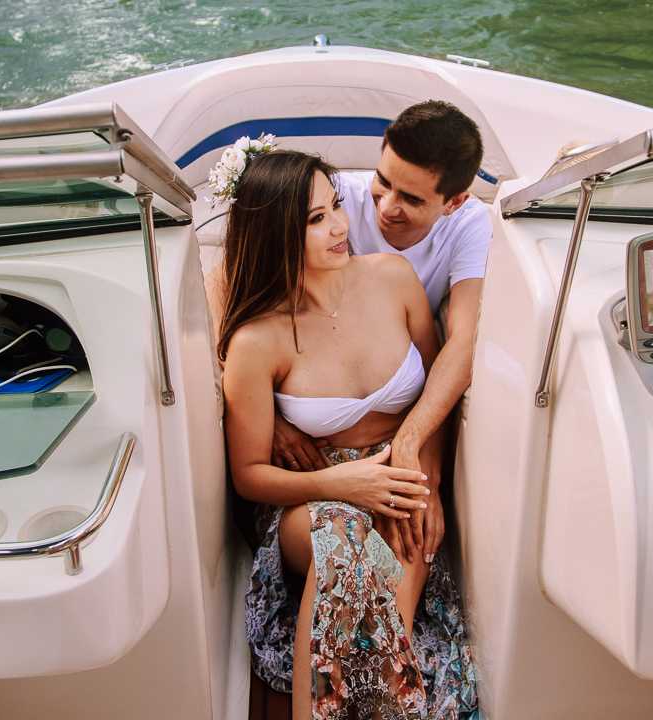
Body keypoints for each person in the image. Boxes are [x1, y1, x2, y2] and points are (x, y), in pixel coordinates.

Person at [218, 148, 476, 719]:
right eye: (317, 218)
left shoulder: (393, 277)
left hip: (402, 474)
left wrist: (425, 482)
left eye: (336, 206)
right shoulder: (256, 339)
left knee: (384, 579)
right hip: (307, 492)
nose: (341, 225)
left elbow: (436, 398)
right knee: (342, 537)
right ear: (276, 232)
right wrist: (343, 483)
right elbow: (248, 476)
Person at [207, 100, 491, 567]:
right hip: (317, 465)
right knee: (346, 545)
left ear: (453, 202)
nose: (386, 207)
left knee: (401, 544)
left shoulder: (461, 230)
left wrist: (424, 473)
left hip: (399, 438)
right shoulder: (334, 192)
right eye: (383, 182)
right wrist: (263, 410)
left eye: (412, 199)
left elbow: (462, 343)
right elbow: (229, 282)